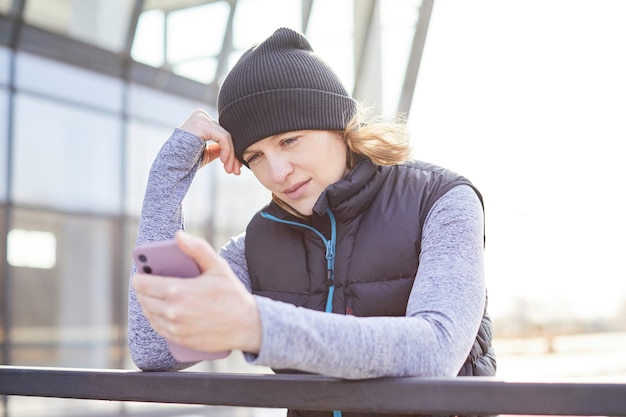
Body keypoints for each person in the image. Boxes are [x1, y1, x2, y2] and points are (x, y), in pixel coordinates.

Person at [129, 27, 496, 416]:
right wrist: (167, 179)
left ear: (338, 125)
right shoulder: (256, 243)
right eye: (255, 156)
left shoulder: (441, 199)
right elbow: (156, 349)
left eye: (290, 141)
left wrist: (259, 327)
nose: (278, 171)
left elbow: (437, 350)